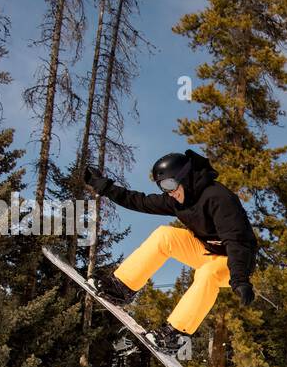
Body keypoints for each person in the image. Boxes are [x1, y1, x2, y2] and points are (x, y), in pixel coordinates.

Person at [83, 149, 257, 354]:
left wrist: (240, 280)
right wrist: (105, 187)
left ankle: (176, 334)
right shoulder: (177, 199)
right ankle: (121, 288)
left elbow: (235, 241)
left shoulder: (219, 197)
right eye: (163, 187)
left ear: (185, 177)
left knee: (207, 273)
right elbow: (141, 201)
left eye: (170, 185)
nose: (169, 192)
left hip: (236, 259)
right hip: (206, 250)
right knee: (164, 235)